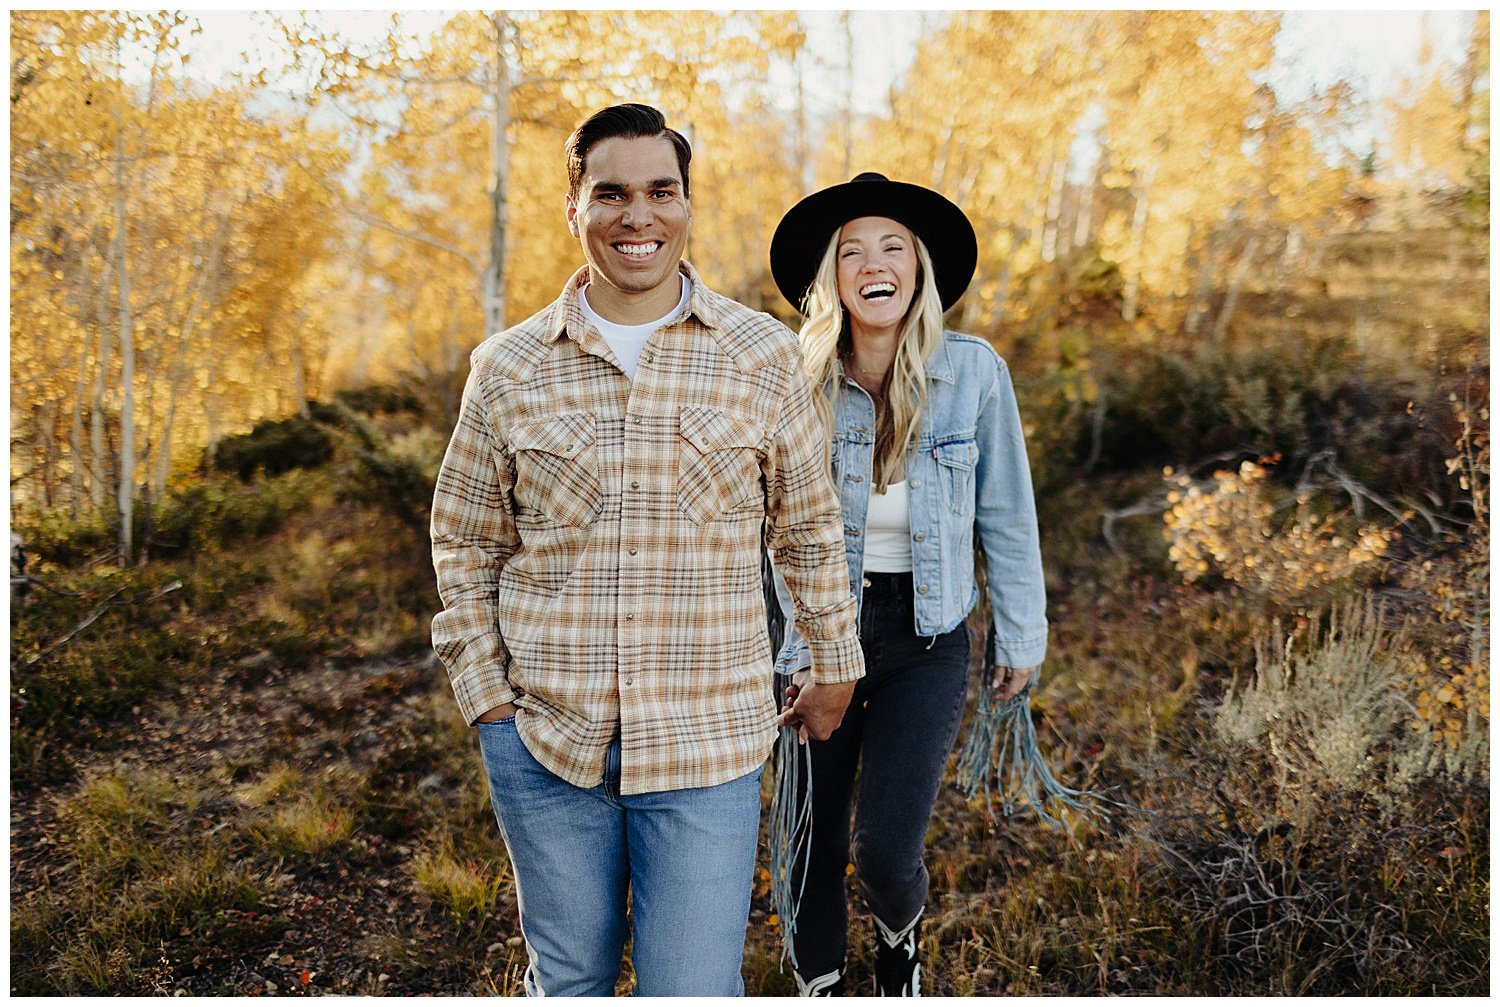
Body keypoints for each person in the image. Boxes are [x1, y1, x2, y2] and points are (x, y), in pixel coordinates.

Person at [428, 104, 864, 997]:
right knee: (572, 980)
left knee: (692, 989)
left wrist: (835, 662)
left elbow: (810, 526)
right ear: (574, 208)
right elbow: (465, 537)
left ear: (687, 204)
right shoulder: (507, 367)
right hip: (546, 741)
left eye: (660, 191)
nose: (638, 216)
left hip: (708, 744)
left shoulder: (762, 355)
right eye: (612, 193)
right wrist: (487, 698)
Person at [767, 173, 1049, 996]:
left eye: (893, 247)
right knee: (810, 839)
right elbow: (758, 522)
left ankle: (900, 943)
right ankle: (819, 981)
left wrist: (1020, 633)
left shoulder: (973, 371)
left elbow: (1008, 512)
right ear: (832, 277)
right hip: (818, 638)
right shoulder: (793, 377)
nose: (873, 263)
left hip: (929, 640)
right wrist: (773, 646)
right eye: (851, 251)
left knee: (886, 849)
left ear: (918, 269)